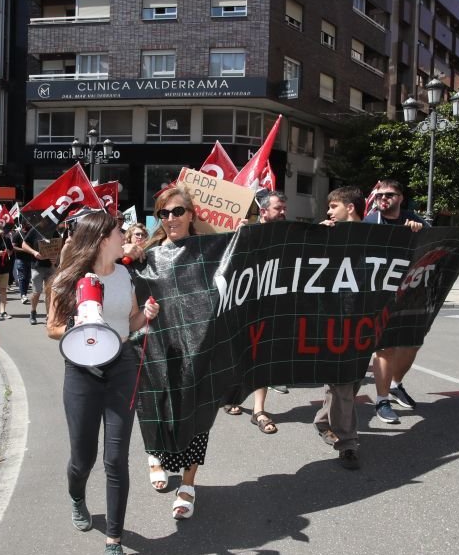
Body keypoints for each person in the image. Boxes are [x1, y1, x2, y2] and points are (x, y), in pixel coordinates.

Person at [45, 211, 159, 555]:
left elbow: (132, 320)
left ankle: (114, 538)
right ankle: (77, 497)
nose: (124, 236)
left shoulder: (124, 274)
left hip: (122, 366)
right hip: (82, 370)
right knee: (83, 458)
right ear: (101, 238)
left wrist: (146, 316)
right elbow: (52, 328)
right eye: (118, 232)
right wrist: (82, 326)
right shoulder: (69, 277)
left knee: (116, 459)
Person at [142, 186, 207, 519]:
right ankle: (155, 454)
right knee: (157, 407)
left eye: (178, 211)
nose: (171, 218)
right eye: (163, 213)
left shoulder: (210, 251)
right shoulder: (148, 256)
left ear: (191, 214)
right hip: (157, 347)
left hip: (198, 347)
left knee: (197, 414)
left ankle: (188, 484)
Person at [222, 189, 287, 432]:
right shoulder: (246, 231)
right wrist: (237, 237)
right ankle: (231, 396)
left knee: (263, 355)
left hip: (271, 305)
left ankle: (259, 411)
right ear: (264, 211)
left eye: (284, 208)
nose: (283, 212)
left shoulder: (288, 233)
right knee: (240, 353)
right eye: (278, 208)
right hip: (243, 302)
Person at [362, 178, 425, 424]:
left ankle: (396, 385)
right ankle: (382, 400)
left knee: (412, 344)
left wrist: (420, 232)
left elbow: (435, 244)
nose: (383, 199)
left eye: (389, 194)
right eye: (379, 195)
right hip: (380, 294)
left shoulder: (414, 220)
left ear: (400, 198)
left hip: (409, 292)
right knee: (385, 347)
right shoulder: (370, 222)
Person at [315, 186, 366, 469]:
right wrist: (319, 237)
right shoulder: (327, 234)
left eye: (333, 206)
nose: (328, 211)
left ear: (350, 207)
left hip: (364, 317)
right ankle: (347, 443)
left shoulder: (375, 235)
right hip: (334, 317)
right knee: (342, 380)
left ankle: (324, 421)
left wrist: (415, 229)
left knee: (349, 381)